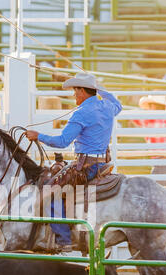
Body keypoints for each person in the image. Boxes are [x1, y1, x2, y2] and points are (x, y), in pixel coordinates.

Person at [25, 72, 122, 252]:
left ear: (83, 91)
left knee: (49, 192)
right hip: (102, 165)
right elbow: (118, 104)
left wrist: (38, 135)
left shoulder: (82, 113)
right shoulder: (107, 107)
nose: (73, 95)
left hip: (86, 167)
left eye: (75, 90)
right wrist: (98, 87)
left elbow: (62, 141)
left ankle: (64, 239)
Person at [132, 95, 166, 187]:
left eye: (150, 106)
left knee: (154, 192)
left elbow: (134, 117)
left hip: (162, 161)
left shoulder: (149, 120)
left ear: (153, 106)